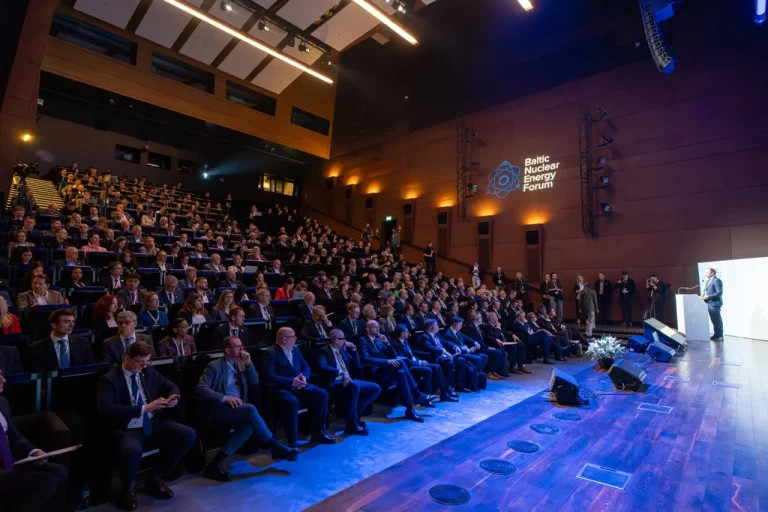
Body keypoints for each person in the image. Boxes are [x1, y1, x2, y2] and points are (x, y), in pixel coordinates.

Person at [96, 341, 196, 511]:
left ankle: (155, 477)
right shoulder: (109, 379)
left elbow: (171, 386)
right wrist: (145, 408)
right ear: (127, 357)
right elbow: (106, 408)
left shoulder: (148, 370)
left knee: (188, 434)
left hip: (153, 421)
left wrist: (173, 398)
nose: (143, 366)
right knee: (131, 450)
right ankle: (128, 487)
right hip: (129, 426)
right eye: (140, 362)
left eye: (147, 362)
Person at [197, 336, 299, 482]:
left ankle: (215, 464)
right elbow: (201, 388)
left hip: (238, 408)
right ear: (227, 350)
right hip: (219, 408)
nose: (242, 349)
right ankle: (276, 447)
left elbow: (255, 381)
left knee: (249, 425)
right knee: (251, 409)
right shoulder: (214, 366)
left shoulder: (241, 363)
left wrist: (249, 364)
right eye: (238, 346)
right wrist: (225, 398)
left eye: (242, 346)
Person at [0, 369, 69, 512]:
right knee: (47, 482)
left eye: (1, 374)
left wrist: (33, 452)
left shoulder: (2, 402)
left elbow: (14, 436)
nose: (3, 380)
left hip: (12, 462)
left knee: (60, 471)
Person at [262, 327, 335, 446]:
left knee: (322, 394)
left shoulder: (295, 350)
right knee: (292, 402)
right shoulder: (270, 353)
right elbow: (269, 376)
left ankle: (318, 433)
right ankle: (292, 441)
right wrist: (291, 382)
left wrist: (304, 377)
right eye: (293, 336)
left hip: (301, 385)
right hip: (282, 389)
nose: (296, 338)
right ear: (285, 339)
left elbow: (306, 367)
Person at [358, 320, 433, 422]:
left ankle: (410, 410)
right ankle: (417, 394)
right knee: (400, 363)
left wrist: (387, 343)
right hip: (373, 373)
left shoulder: (379, 340)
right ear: (367, 329)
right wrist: (387, 362)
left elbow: (394, 355)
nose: (378, 328)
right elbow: (366, 358)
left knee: (401, 373)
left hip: (385, 371)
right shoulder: (363, 340)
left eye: (379, 326)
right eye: (375, 327)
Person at [315, 329, 382, 435]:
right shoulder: (323, 351)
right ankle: (351, 424)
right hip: (334, 384)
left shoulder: (341, 350)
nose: (345, 341)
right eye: (343, 339)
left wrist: (354, 349)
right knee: (354, 386)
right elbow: (323, 366)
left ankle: (353, 415)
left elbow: (357, 364)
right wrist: (340, 372)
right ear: (336, 340)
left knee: (375, 388)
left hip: (349, 381)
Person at [391, 324, 458, 401]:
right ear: (402, 333)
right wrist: (419, 363)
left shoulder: (405, 341)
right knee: (428, 370)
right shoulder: (396, 344)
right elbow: (405, 361)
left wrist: (420, 361)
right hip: (408, 367)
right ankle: (426, 396)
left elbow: (412, 355)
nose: (408, 332)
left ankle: (444, 394)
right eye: (406, 331)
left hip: (415, 362)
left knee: (437, 367)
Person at [25, 309, 94, 371]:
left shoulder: (82, 342)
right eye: (66, 322)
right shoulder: (37, 348)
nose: (72, 325)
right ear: (54, 325)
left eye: (73, 321)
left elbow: (90, 368)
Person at [702, 268, 724, 341]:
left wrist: (708, 296)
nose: (705, 274)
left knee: (717, 320)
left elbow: (719, 292)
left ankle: (720, 336)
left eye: (707, 272)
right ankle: (716, 334)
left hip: (714, 303)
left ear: (712, 273)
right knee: (714, 320)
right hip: (709, 303)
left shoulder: (717, 281)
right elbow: (707, 291)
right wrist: (702, 296)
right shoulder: (708, 281)